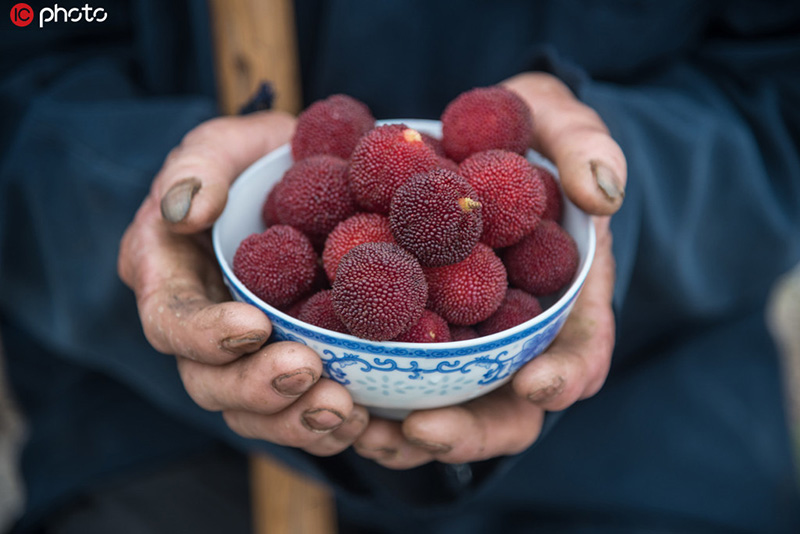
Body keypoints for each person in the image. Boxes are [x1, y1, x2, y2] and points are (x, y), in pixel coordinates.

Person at [2, 0, 799, 532]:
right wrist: (145, 190)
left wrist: (620, 188)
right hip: (155, 423)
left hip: (650, 425)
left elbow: (779, 97)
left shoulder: (490, 226)